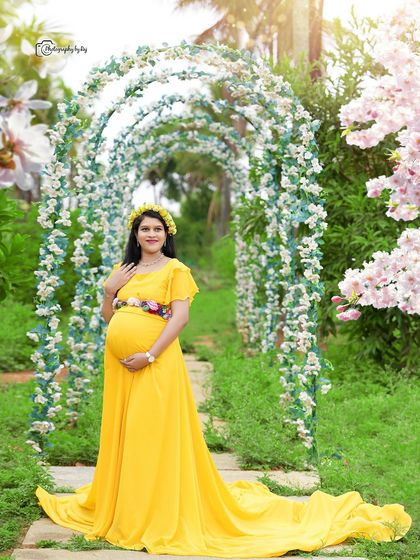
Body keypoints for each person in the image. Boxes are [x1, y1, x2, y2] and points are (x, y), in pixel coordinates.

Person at [35, 203, 412, 557]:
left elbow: (179, 319)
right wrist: (108, 290)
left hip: (155, 363)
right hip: (120, 366)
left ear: (167, 235)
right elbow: (109, 318)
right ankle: (127, 502)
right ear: (135, 235)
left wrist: (149, 354)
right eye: (144, 229)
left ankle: (155, 509)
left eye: (157, 229)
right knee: (126, 432)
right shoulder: (125, 270)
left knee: (151, 432)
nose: (151, 234)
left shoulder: (175, 270)